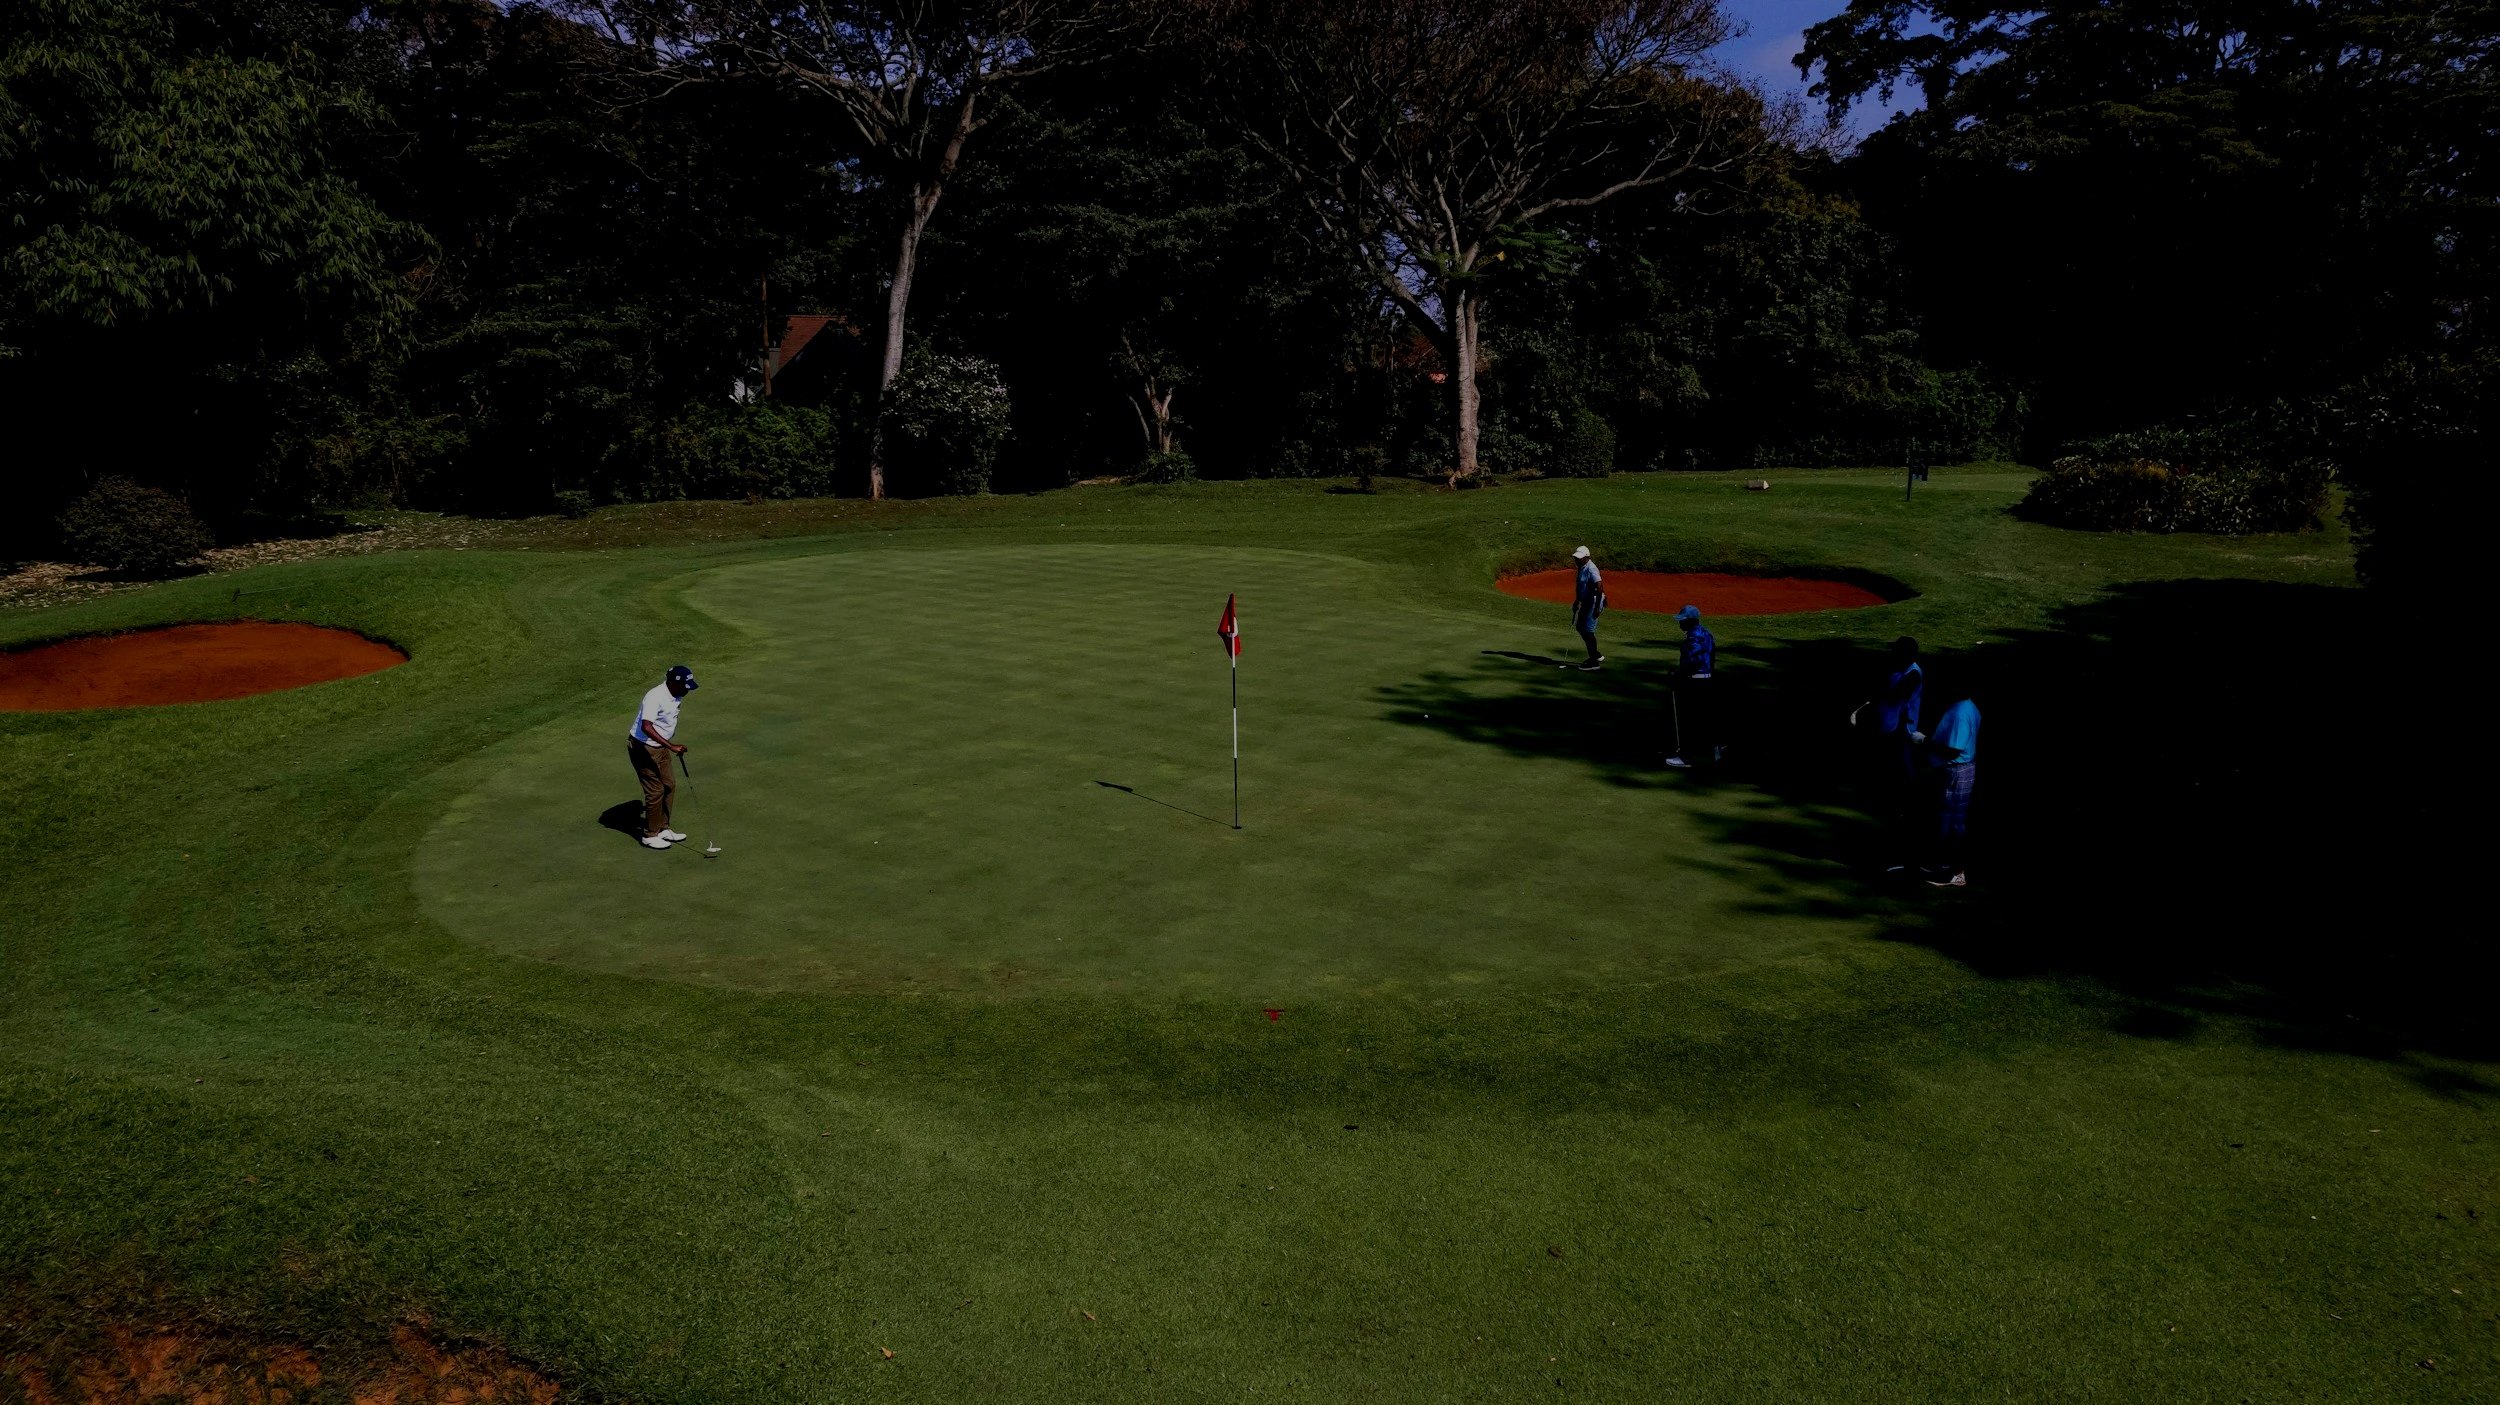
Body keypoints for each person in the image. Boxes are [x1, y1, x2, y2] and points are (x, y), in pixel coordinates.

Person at [627, 665, 698, 850]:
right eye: (685, 686)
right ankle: (650, 835)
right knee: (655, 791)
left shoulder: (677, 694)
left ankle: (663, 828)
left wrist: (668, 745)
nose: (687, 691)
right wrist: (672, 746)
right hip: (642, 747)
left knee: (669, 785)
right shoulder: (655, 697)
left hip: (660, 747)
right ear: (674, 683)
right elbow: (647, 727)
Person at [1919, 696, 1980, 887]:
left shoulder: (1960, 712)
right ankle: (1943, 866)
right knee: (1945, 821)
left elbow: (1953, 750)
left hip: (1957, 772)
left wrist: (1924, 741)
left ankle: (1954, 873)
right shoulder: (1967, 705)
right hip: (1957, 770)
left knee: (1954, 824)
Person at [1871, 637, 1925, 853]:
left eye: (1897, 651)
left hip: (1902, 732)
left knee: (1903, 776)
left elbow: (1896, 699)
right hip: (1890, 729)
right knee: (1891, 775)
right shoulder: (1898, 668)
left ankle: (1904, 818)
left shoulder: (1913, 674)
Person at [1663, 604, 1717, 768]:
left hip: (1695, 681)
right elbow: (1711, 657)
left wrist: (1677, 675)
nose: (1679, 623)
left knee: (1689, 720)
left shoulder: (1693, 637)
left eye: (1682, 620)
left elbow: (1692, 661)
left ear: (1690, 621)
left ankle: (1687, 757)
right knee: (1703, 718)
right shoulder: (1707, 633)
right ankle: (1712, 752)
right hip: (1707, 679)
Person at [1569, 546, 1606, 670]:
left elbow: (1599, 587)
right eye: (1576, 558)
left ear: (1587, 557)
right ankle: (1595, 654)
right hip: (1586, 601)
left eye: (1579, 558)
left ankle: (1594, 662)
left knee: (1588, 631)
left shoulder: (1591, 569)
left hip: (1594, 602)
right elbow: (1581, 587)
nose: (1576, 560)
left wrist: (1597, 608)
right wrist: (1577, 601)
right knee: (1580, 626)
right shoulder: (1581, 567)